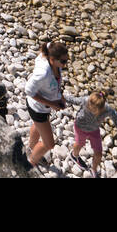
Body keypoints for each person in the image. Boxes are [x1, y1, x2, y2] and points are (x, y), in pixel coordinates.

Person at [25, 40, 69, 168]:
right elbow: (29, 90)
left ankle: (32, 147)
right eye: (63, 61)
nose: (65, 65)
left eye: (67, 60)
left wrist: (59, 97)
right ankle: (31, 162)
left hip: (41, 108)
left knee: (37, 126)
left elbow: (49, 44)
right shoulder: (43, 73)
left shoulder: (50, 51)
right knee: (49, 144)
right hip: (37, 109)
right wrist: (52, 103)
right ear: (52, 59)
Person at [66, 90, 117, 178]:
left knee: (98, 153)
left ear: (101, 109)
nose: (89, 108)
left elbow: (116, 118)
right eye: (89, 106)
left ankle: (93, 169)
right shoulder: (86, 100)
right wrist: (59, 97)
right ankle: (74, 155)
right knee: (79, 143)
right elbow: (72, 100)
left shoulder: (107, 109)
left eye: (93, 109)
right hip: (80, 127)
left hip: (94, 130)